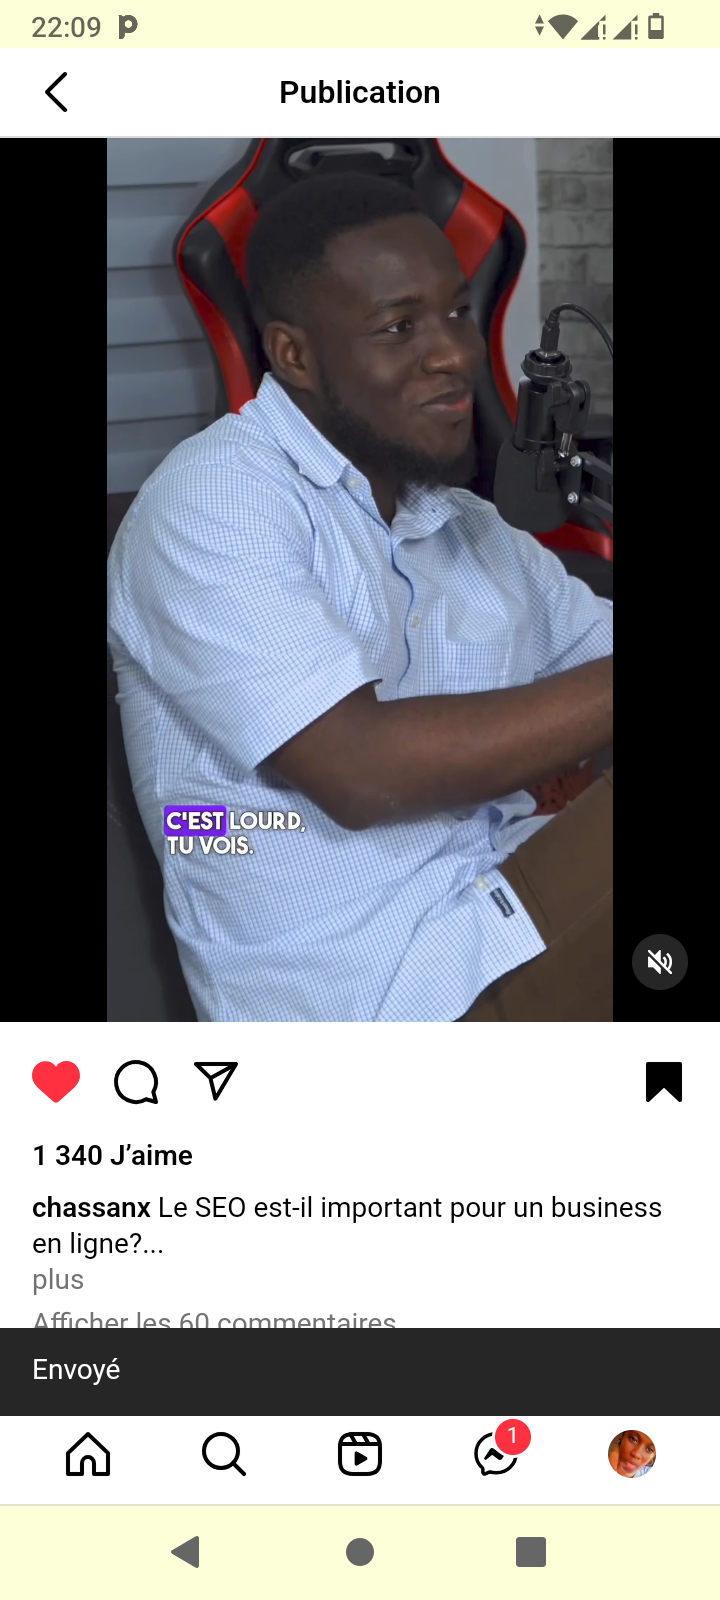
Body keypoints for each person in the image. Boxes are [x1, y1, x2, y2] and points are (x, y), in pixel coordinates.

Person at [107, 171, 612, 1023]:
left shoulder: (468, 528)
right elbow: (360, 772)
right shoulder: (215, 500)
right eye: (399, 326)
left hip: (507, 912)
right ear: (294, 355)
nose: (454, 353)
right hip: (392, 1002)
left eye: (458, 313)